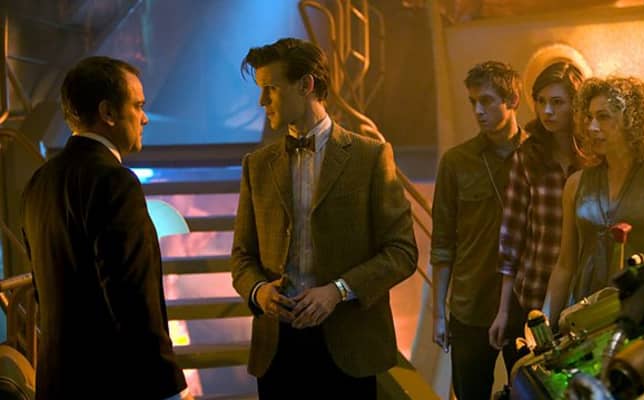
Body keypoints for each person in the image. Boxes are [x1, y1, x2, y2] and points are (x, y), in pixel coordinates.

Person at [231, 37, 417, 399]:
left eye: (271, 88)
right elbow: (241, 257)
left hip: (350, 346)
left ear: (306, 85)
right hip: (278, 348)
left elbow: (402, 252)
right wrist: (259, 291)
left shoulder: (370, 157)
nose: (261, 101)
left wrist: (338, 291)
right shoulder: (257, 165)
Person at [20, 56, 191, 399]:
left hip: (57, 383)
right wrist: (167, 385)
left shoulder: (39, 181)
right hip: (113, 383)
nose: (144, 118)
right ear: (108, 113)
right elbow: (132, 296)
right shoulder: (114, 182)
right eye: (138, 106)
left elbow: (43, 291)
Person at [547, 76, 644, 326]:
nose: (592, 127)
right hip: (585, 315)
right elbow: (565, 265)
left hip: (643, 314)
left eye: (603, 117)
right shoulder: (576, 184)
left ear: (632, 122)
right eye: (589, 117)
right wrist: (544, 320)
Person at [430, 61, 527, 400]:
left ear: (512, 100)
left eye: (486, 101)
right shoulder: (457, 162)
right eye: (473, 102)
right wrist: (438, 314)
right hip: (470, 307)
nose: (478, 111)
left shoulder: (538, 157)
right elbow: (442, 243)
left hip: (523, 306)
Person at [489, 61, 585, 367]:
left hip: (581, 299)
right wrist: (504, 311)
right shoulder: (528, 157)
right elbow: (511, 237)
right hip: (531, 297)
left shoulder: (595, 160)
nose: (547, 111)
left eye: (557, 102)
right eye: (541, 102)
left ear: (576, 105)